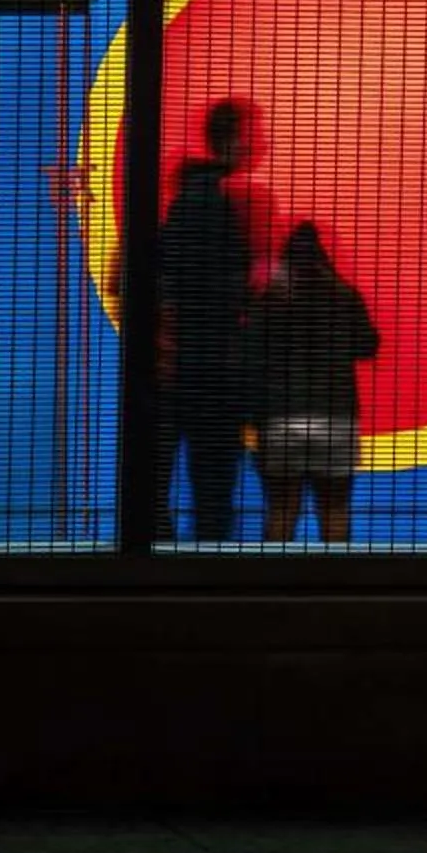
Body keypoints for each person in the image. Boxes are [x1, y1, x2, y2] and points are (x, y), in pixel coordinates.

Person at [159, 98, 274, 542]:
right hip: (218, 368)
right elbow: (252, 282)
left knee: (166, 487)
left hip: (179, 365)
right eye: (257, 133)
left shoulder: (182, 198)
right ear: (236, 139)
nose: (265, 143)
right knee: (214, 490)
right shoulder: (240, 197)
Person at [249, 221, 381, 545]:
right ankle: (335, 585)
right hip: (335, 416)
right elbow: (368, 344)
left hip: (280, 417)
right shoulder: (345, 295)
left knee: (281, 508)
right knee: (334, 507)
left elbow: (252, 350)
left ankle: (275, 586)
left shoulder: (271, 301)